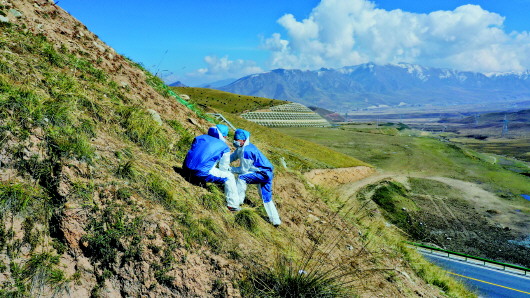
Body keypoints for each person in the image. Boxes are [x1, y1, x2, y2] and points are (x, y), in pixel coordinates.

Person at [230, 129, 281, 226]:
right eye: (234, 139)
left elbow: (243, 170)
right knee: (266, 197)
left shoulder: (247, 151)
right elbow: (232, 157)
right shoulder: (242, 148)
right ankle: (275, 220)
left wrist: (229, 169)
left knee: (241, 177)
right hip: (267, 173)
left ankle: (237, 202)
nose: (234, 141)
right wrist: (221, 162)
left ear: (243, 140)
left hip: (262, 173)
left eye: (237, 139)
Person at [183, 124, 240, 210]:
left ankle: (194, 177)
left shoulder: (200, 137)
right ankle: (233, 205)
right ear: (223, 135)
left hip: (186, 168)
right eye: (225, 135)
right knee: (229, 177)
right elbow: (223, 168)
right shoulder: (224, 147)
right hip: (201, 172)